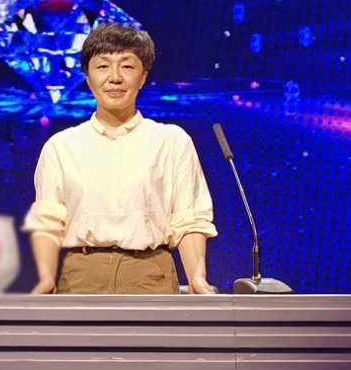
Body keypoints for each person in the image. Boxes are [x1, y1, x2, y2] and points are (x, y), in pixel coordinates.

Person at [22, 23, 217, 294]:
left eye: (127, 66)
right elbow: (48, 220)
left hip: (150, 276)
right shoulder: (61, 146)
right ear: (87, 77)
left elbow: (189, 219)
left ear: (143, 77)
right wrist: (45, 277)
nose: (115, 77)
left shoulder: (171, 141)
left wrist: (197, 277)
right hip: (81, 277)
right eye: (103, 66)